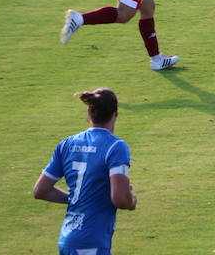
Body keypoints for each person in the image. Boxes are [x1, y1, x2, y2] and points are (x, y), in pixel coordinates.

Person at [33, 88, 137, 255]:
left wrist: (81, 198)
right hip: (91, 242)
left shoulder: (67, 144)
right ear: (116, 113)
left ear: (89, 111)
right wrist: (131, 200)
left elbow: (41, 190)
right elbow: (120, 199)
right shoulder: (116, 146)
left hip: (67, 239)